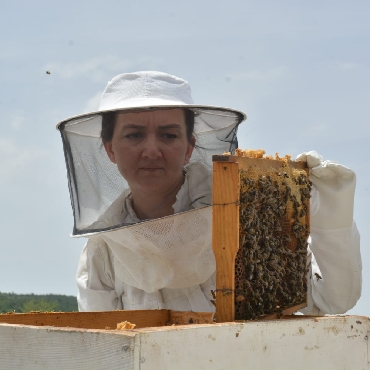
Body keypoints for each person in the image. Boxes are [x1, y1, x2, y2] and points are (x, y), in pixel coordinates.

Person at [57, 71, 361, 314]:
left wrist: (329, 213)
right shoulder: (103, 250)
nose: (151, 150)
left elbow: (330, 300)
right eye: (134, 135)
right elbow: (106, 344)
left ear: (189, 147)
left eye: (168, 135)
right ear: (110, 148)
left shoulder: (246, 215)